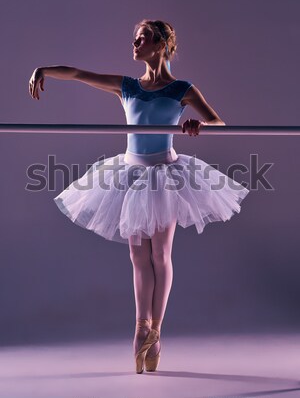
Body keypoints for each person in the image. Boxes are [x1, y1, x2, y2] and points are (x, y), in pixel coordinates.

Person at [28, 19, 250, 374]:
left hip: (165, 172)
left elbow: (219, 122)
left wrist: (199, 125)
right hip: (130, 173)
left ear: (161, 44)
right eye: (134, 38)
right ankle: (140, 327)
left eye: (143, 38)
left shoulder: (182, 89)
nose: (135, 43)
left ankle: (157, 332)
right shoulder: (127, 86)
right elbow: (79, 73)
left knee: (160, 254)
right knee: (137, 255)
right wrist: (44, 70)